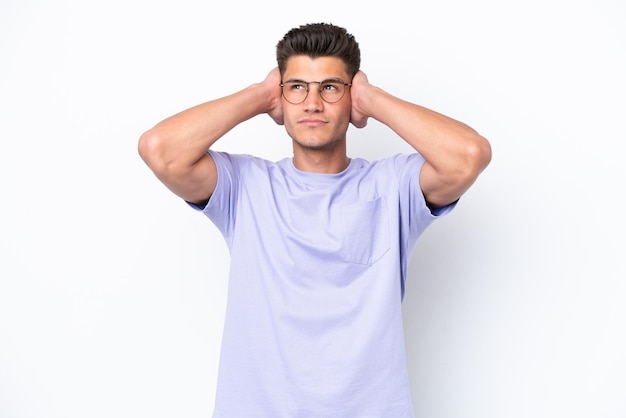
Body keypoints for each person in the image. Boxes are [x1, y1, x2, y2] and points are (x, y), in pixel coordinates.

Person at [138, 22, 491, 418]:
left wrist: (373, 99)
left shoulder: (392, 186)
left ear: (350, 94)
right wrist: (259, 95)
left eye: (330, 87)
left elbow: (469, 155)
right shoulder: (246, 186)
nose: (312, 103)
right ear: (282, 95)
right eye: (297, 87)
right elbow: (159, 149)